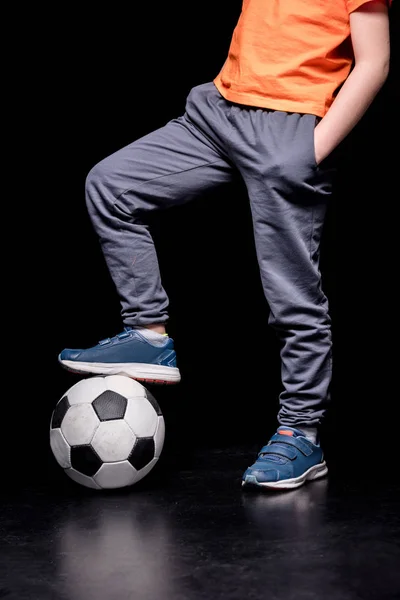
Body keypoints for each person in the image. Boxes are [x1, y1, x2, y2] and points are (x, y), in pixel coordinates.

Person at [59, 0, 392, 490]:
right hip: (217, 113)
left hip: (289, 130)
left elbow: (375, 61)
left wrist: (310, 152)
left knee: (292, 298)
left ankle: (301, 432)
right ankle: (149, 335)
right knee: (111, 186)